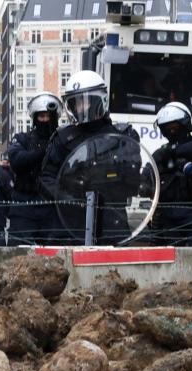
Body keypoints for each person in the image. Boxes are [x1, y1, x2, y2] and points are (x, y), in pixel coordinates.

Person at [41, 71, 142, 245]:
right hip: (71, 221)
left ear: (98, 100)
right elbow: (46, 178)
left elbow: (132, 175)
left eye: (86, 101)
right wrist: (66, 198)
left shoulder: (122, 135)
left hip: (112, 218)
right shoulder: (63, 138)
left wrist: (105, 179)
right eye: (76, 102)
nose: (81, 108)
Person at [150, 101, 192, 245]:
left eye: (174, 127)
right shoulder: (160, 155)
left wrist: (172, 152)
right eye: (166, 128)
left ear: (185, 125)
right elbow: (147, 181)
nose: (170, 132)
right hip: (168, 218)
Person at [8, 92, 66, 245]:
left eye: (49, 116)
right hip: (24, 204)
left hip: (52, 205)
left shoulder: (64, 141)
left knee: (56, 254)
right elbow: (16, 161)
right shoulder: (23, 138)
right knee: (17, 253)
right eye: (41, 116)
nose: (45, 120)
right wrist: (44, 152)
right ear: (35, 118)